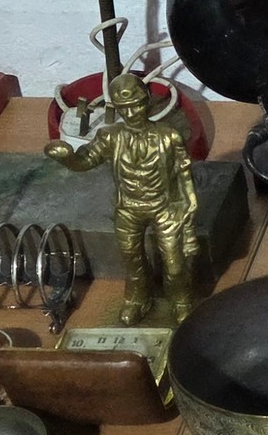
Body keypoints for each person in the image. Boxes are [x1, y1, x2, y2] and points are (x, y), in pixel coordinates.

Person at [46, 72, 200, 325]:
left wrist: (188, 210)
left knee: (175, 266)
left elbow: (185, 176)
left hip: (165, 208)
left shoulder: (169, 136)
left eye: (137, 105)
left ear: (147, 101)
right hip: (128, 210)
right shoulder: (110, 136)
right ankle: (138, 299)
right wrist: (67, 158)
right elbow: (86, 159)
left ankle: (181, 301)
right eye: (124, 108)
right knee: (132, 261)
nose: (132, 113)